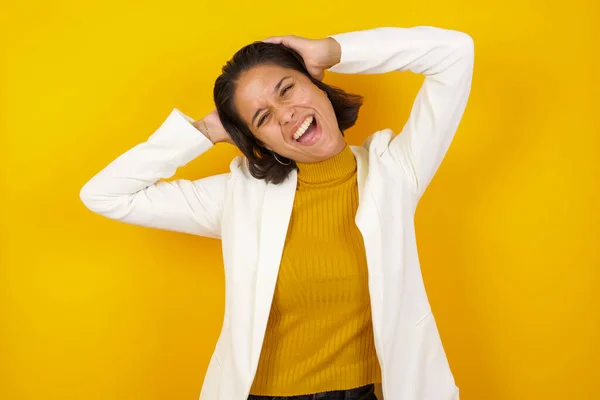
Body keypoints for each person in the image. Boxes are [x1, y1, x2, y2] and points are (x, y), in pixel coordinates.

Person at [80, 25, 474, 400]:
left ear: (316, 84)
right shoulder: (238, 197)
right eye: (262, 118)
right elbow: (105, 195)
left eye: (287, 89)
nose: (285, 114)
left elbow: (454, 53)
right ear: (257, 142)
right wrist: (202, 131)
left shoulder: (395, 171)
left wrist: (330, 50)